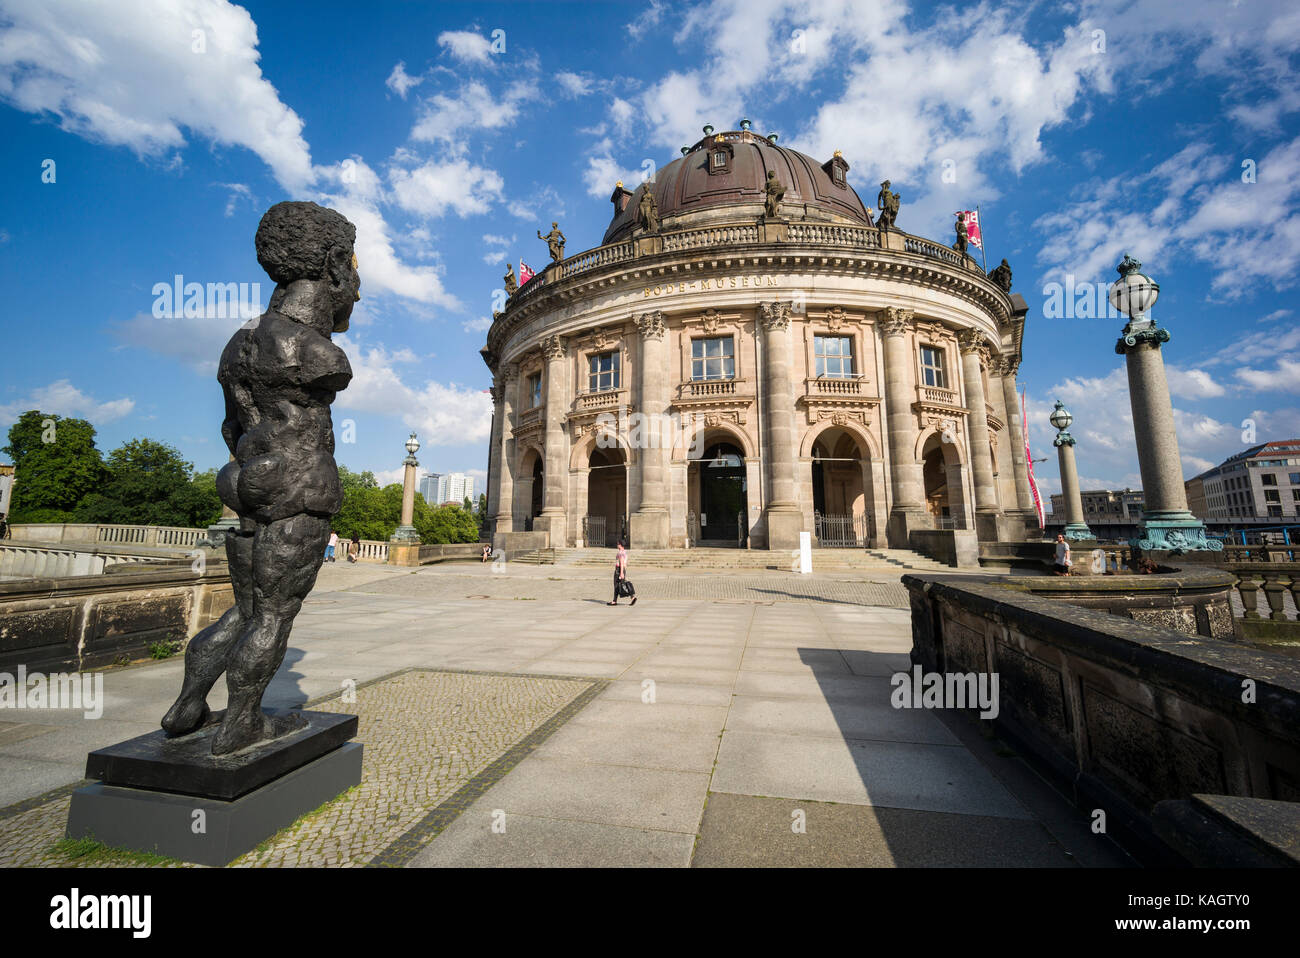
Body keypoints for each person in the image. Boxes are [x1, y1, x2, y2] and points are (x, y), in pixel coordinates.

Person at [608, 540, 636, 606]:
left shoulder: (620, 553)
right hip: (622, 570)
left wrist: (621, 573)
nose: (617, 545)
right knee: (623, 584)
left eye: (618, 544)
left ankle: (614, 601)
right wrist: (623, 571)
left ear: (620, 545)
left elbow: (621, 562)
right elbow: (624, 564)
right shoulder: (625, 552)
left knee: (616, 585)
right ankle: (632, 597)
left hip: (619, 570)